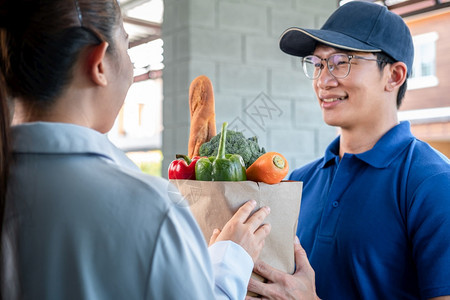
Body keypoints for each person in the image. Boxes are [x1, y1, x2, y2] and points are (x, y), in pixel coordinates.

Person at [0, 0, 272, 299]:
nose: (130, 69)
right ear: (100, 63)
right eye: (127, 49)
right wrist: (230, 260)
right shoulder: (153, 209)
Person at [247, 1, 450, 299]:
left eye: (341, 62)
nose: (323, 81)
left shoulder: (433, 183)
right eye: (317, 64)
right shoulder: (298, 181)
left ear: (394, 75)